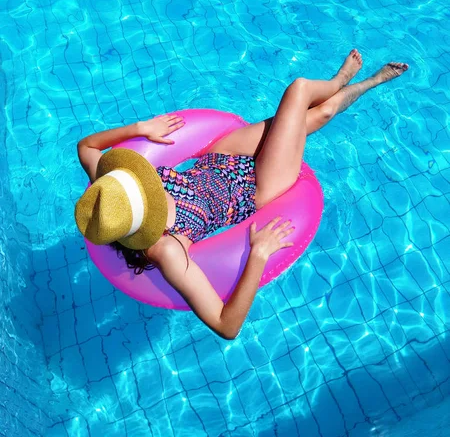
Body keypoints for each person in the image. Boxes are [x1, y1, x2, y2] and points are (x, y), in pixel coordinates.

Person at [75, 51, 408, 340]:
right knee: (305, 96)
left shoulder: (114, 188)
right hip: (255, 188)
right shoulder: (166, 250)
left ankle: (339, 82)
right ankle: (361, 82)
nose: (146, 179)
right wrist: (258, 255)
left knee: (303, 117)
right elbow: (226, 326)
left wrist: (139, 128)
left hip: (219, 158)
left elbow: (86, 146)